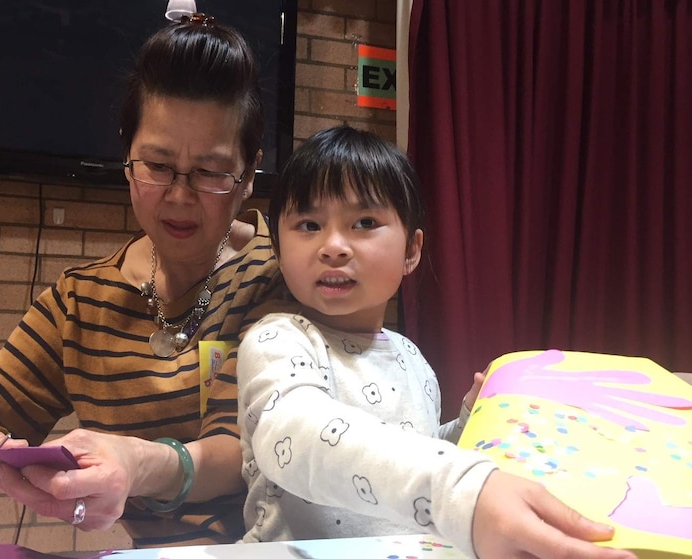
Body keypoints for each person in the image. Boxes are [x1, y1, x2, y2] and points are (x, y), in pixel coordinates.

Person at [0, 14, 284, 548]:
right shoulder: (81, 300)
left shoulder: (281, 278)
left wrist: (138, 462)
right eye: (157, 165)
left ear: (249, 174)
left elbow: (246, 450)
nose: (180, 196)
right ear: (126, 156)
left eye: (209, 172)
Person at [236, 126, 637, 559]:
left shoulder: (412, 359)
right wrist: (462, 488)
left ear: (412, 250)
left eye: (365, 223)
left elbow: (421, 447)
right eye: (309, 225)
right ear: (278, 248)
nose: (333, 246)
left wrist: (468, 424)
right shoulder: (277, 340)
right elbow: (298, 440)